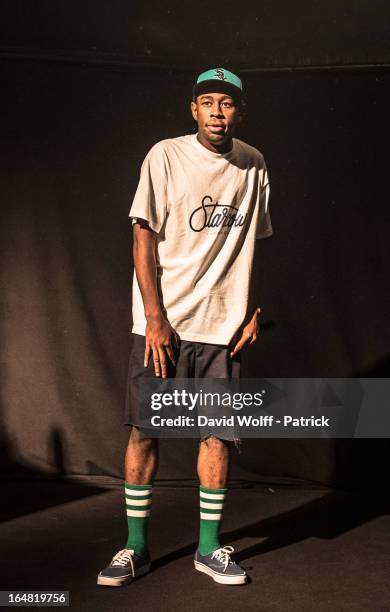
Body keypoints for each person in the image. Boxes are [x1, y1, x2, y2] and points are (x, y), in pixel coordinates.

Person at [97, 67, 272, 587]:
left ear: (240, 112)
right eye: (209, 102)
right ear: (193, 109)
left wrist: (253, 310)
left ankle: (209, 549)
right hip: (164, 324)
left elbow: (255, 245)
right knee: (145, 432)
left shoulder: (254, 164)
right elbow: (143, 237)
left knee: (217, 436)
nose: (219, 112)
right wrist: (154, 317)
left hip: (223, 326)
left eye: (228, 104)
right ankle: (134, 547)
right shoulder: (166, 155)